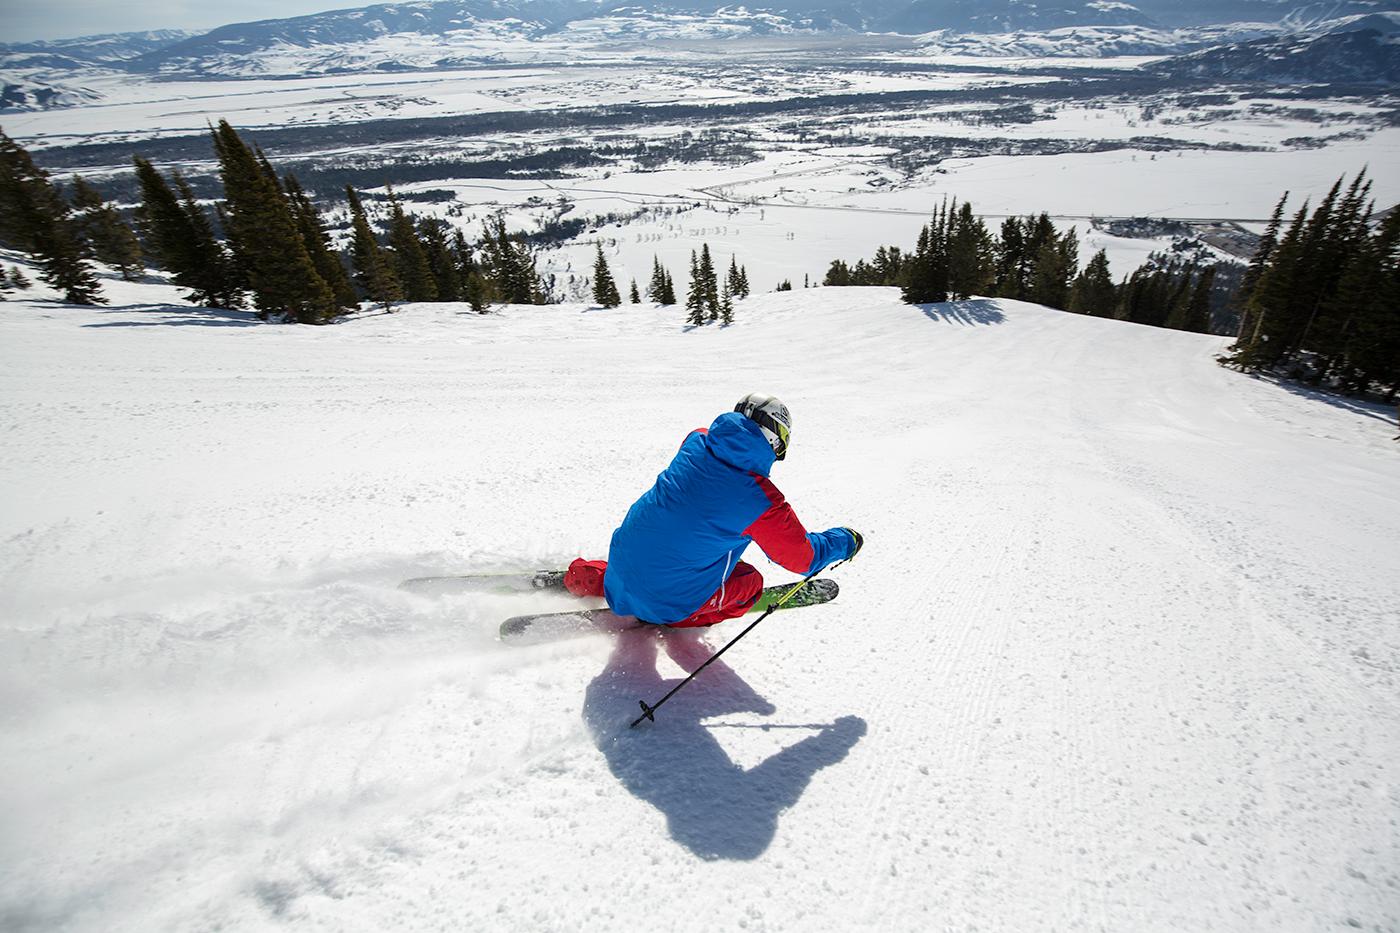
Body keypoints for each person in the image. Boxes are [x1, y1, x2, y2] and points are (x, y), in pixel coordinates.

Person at [564, 393, 862, 627]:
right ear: (773, 440)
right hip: (665, 601)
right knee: (750, 583)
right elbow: (803, 559)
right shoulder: (760, 501)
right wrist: (845, 540)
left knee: (681, 548)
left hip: (620, 562)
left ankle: (598, 578)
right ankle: (674, 615)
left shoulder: (696, 441)